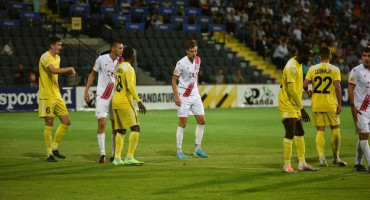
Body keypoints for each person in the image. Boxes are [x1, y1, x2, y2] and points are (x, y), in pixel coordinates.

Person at [303, 47, 347, 167]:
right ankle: (336, 157)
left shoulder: (312, 69)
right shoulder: (335, 69)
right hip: (330, 104)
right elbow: (337, 87)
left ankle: (322, 158)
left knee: (320, 131)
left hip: (317, 104)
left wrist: (308, 91)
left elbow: (305, 84)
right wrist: (339, 104)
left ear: (320, 57)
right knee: (335, 129)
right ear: (330, 56)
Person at [278, 45, 318, 173]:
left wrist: (306, 89)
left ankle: (302, 163)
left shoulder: (299, 64)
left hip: (295, 103)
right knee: (290, 132)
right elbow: (290, 90)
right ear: (301, 53)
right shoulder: (291, 67)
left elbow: (297, 84)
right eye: (308, 55)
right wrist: (302, 109)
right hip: (287, 103)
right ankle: (287, 165)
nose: (310, 59)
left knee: (300, 132)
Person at [84, 41, 123, 163]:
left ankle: (113, 153)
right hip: (103, 96)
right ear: (112, 48)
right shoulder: (101, 59)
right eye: (119, 48)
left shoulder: (122, 61)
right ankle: (102, 154)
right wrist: (86, 90)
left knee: (115, 126)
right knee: (102, 123)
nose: (122, 50)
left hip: (116, 97)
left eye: (122, 48)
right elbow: (92, 75)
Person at [38, 36, 76, 162]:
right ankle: (49, 154)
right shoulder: (45, 57)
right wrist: (70, 68)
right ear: (52, 45)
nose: (60, 47)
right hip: (46, 95)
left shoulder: (58, 58)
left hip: (56, 94)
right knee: (49, 122)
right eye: (59, 45)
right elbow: (53, 71)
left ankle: (54, 148)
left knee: (66, 121)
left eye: (61, 45)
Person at [172, 40, 208, 159]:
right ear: (187, 51)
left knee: (202, 121)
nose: (194, 53)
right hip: (184, 96)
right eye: (192, 51)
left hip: (195, 95)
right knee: (183, 123)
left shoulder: (198, 60)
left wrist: (196, 88)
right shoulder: (181, 63)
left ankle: (197, 149)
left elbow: (196, 74)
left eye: (195, 51)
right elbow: (173, 80)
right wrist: (177, 96)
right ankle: (178, 151)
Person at [112, 46, 146, 166]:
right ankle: (130, 157)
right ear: (132, 56)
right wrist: (139, 101)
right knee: (135, 128)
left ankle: (117, 158)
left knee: (120, 130)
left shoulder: (119, 67)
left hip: (115, 101)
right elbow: (130, 87)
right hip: (125, 102)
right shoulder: (129, 69)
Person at [348, 46, 370, 172]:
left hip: (369, 108)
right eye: (364, 56)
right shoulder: (356, 71)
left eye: (369, 56)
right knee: (365, 135)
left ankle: (357, 164)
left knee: (364, 136)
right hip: (360, 109)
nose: (366, 58)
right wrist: (352, 107)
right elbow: (350, 89)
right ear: (361, 56)